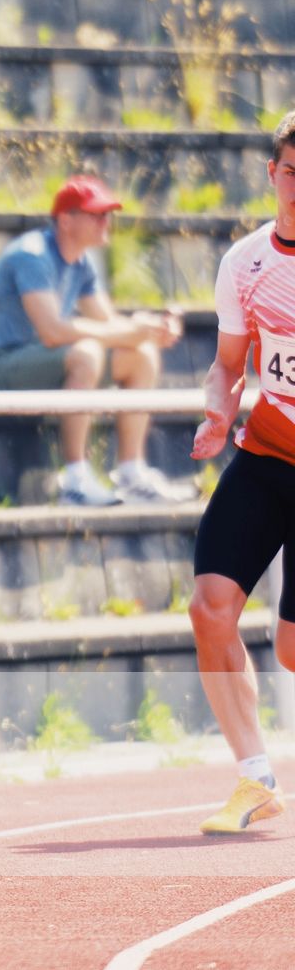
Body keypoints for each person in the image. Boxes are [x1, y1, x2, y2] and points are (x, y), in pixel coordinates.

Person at [189, 110, 295, 833]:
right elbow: (228, 367)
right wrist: (217, 413)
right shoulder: (246, 263)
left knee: (292, 648)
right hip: (265, 456)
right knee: (209, 606)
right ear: (273, 175)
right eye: (294, 173)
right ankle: (254, 777)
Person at [0, 174, 188, 505]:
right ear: (66, 220)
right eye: (96, 214)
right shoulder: (32, 255)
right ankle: (76, 479)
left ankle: (131, 473)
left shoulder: (82, 261)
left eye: (107, 214)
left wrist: (147, 329)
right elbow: (52, 332)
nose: (105, 221)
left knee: (142, 355)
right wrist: (127, 331)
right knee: (88, 354)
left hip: (33, 363)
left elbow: (109, 324)